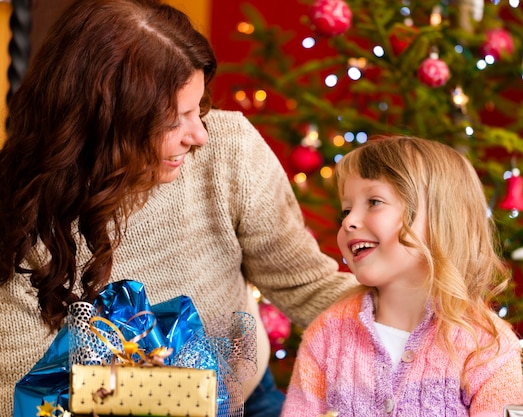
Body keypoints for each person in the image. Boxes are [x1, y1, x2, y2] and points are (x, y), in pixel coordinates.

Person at [0, 0, 358, 416]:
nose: (200, 135)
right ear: (108, 122)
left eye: (199, 109)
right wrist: (184, 398)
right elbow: (23, 390)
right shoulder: (20, 216)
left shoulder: (229, 151)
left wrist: (432, 313)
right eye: (176, 120)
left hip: (250, 398)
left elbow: (306, 286)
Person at [281, 136, 523, 416]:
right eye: (346, 209)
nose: (348, 221)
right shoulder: (326, 335)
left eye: (374, 201)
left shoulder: (488, 346)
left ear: (439, 220)